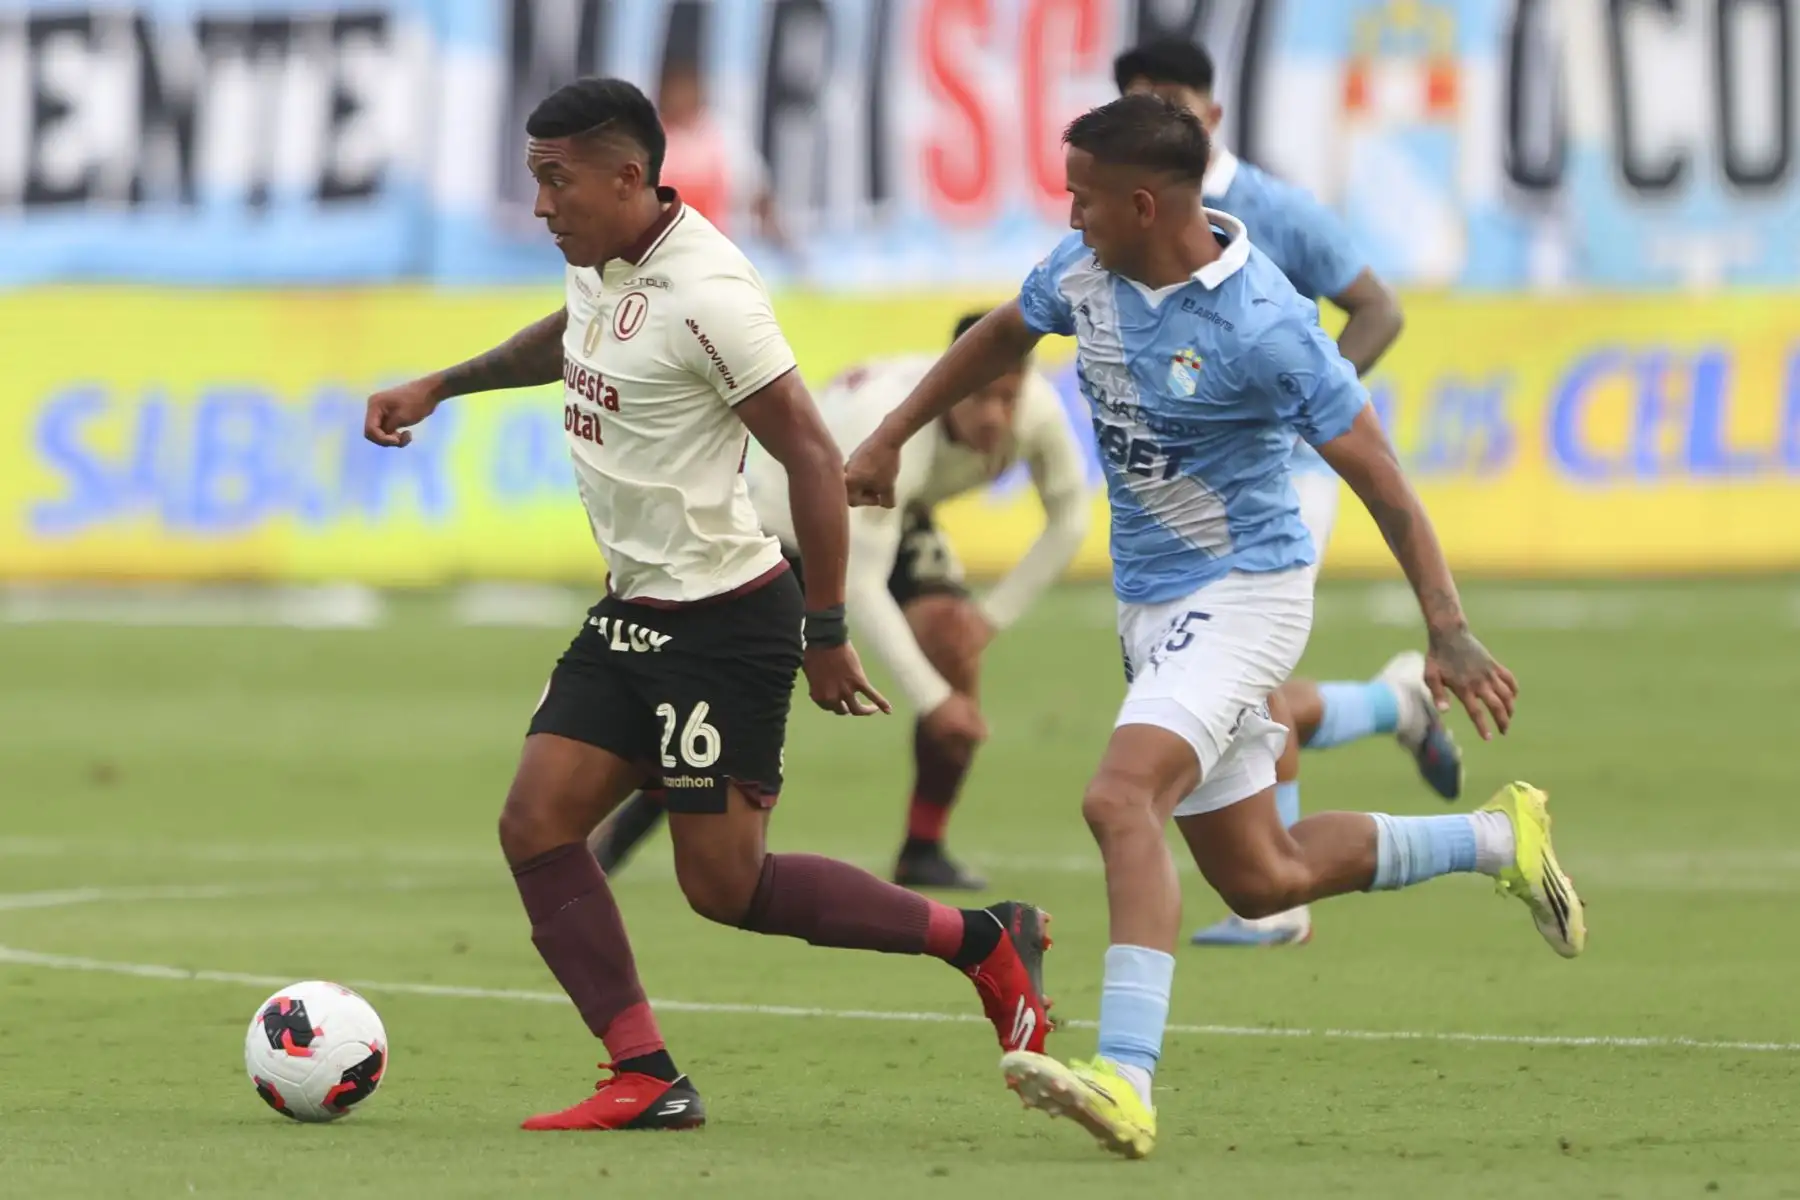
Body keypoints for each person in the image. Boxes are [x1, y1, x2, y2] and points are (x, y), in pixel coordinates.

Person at [844, 94, 1584, 1161]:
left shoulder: (1265, 325)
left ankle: (1126, 1078)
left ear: (1145, 205)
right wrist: (889, 435)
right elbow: (1006, 330)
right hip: (1153, 605)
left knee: (1119, 797)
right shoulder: (1086, 270)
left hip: (1247, 592)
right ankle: (1497, 838)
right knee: (1262, 876)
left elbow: (1383, 480)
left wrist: (1449, 627)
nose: (1069, 214)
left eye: (1084, 197)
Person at [361, 77, 1052, 1134]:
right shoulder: (600, 259)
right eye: (534, 180)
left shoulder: (712, 294)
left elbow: (812, 455)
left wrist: (827, 629)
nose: (540, 206)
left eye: (555, 182)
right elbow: (574, 334)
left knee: (726, 889)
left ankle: (984, 942)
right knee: (535, 823)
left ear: (628, 177)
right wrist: (441, 385)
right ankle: (644, 1072)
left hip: (724, 619)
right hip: (632, 609)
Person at [1114, 39, 1459, 948]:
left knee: (1237, 685)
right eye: (1142, 105)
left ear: (1213, 113)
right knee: (1230, 694)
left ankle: (1277, 902)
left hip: (1283, 486)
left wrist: (1300, 407)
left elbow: (1379, 306)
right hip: (1178, 504)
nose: (1160, 120)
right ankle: (1393, 707)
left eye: (1174, 102)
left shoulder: (1273, 210)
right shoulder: (1121, 217)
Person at [586, 313, 1090, 890]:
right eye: (979, 397)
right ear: (951, 387)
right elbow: (858, 585)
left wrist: (986, 621)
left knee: (950, 636)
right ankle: (608, 840)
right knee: (723, 698)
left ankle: (923, 847)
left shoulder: (1039, 412)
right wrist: (933, 701)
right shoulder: (888, 425)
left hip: (883, 513)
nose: (996, 416)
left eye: (1008, 398)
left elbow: (1070, 520)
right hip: (781, 519)